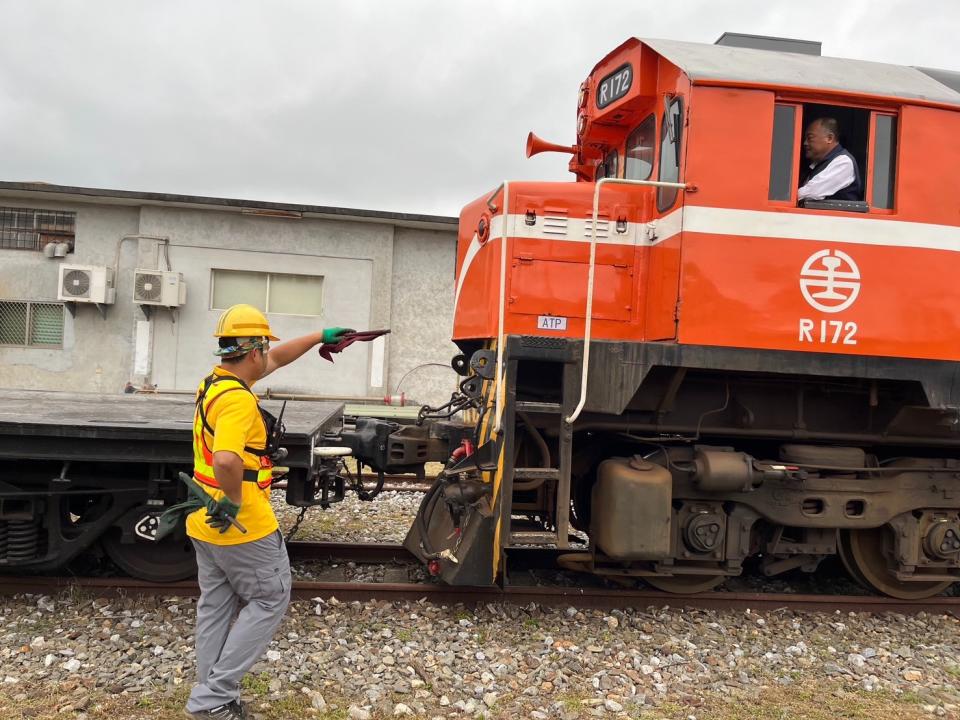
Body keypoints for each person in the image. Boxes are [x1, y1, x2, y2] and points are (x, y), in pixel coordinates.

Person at [184, 304, 351, 720]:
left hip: (205, 520)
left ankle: (211, 693)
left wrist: (318, 337)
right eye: (265, 349)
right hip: (243, 524)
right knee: (269, 599)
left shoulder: (215, 384)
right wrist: (234, 501)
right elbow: (226, 459)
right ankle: (213, 699)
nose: (269, 357)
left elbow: (276, 358)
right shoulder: (239, 401)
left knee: (216, 605)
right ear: (253, 350)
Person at [797, 117, 862, 203]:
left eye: (810, 138)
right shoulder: (817, 164)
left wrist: (786, 199)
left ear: (829, 138)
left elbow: (813, 191)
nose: (805, 143)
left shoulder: (843, 162)